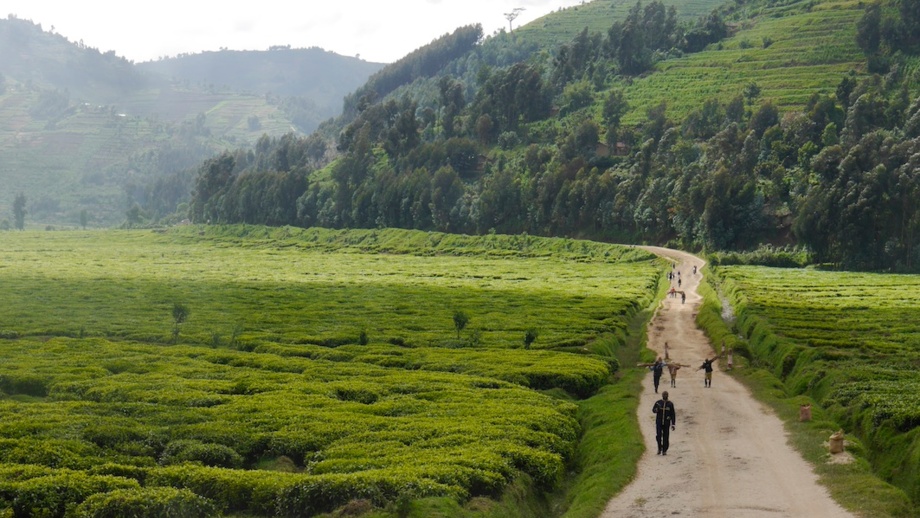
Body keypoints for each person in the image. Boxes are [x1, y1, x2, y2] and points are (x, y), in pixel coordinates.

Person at [652, 391, 676, 455]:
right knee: (658, 435)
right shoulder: (658, 403)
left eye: (666, 395)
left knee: (666, 436)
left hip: (666, 423)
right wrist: (656, 410)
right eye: (664, 394)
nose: (665, 396)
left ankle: (664, 450)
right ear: (662, 395)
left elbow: (673, 414)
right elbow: (653, 410)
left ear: (668, 395)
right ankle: (659, 448)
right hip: (659, 422)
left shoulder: (670, 404)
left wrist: (673, 424)